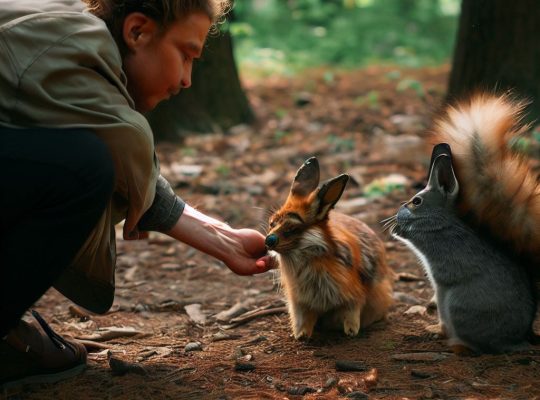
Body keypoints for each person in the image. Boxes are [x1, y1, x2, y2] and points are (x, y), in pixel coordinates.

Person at [0, 0, 274, 390]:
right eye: (186, 55)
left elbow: (118, 145)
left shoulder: (65, 28)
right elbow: (123, 146)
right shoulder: (74, 49)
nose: (187, 80)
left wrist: (225, 239)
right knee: (82, 167)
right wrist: (222, 239)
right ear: (138, 32)